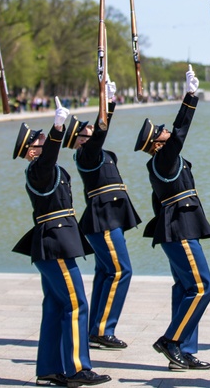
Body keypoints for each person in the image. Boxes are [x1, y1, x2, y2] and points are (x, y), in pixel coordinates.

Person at [13, 99, 111, 388]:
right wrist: (58, 128)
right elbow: (49, 155)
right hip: (54, 243)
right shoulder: (38, 170)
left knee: (56, 306)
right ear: (31, 151)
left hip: (56, 241)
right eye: (40, 141)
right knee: (77, 304)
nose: (45, 141)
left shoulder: (46, 170)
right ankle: (77, 369)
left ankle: (48, 369)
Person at [137, 67, 210, 371]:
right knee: (201, 287)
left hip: (177, 227)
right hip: (179, 229)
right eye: (163, 132)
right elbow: (180, 131)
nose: (168, 131)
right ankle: (171, 341)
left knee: (185, 289)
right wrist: (190, 98)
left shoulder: (161, 163)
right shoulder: (163, 159)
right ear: (158, 143)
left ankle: (183, 351)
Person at [64, 80, 142, 351]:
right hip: (103, 217)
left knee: (106, 272)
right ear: (79, 139)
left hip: (111, 215)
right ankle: (102, 330)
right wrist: (108, 104)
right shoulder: (85, 155)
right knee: (121, 271)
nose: (91, 131)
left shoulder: (95, 153)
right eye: (86, 131)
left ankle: (95, 328)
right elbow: (100, 134)